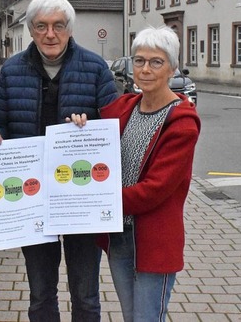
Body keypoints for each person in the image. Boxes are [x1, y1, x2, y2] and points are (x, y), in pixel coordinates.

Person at [0, 0, 118, 321]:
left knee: (85, 295)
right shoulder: (12, 72)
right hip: (32, 199)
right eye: (41, 26)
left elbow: (113, 132)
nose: (50, 34)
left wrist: (90, 128)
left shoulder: (95, 68)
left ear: (70, 29)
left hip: (80, 197)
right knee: (41, 294)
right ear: (30, 30)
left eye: (58, 25)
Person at [71, 25, 200, 321]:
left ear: (173, 69)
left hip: (153, 241)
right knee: (132, 317)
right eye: (139, 61)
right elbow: (91, 143)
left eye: (156, 62)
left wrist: (98, 201)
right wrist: (79, 126)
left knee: (146, 318)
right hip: (120, 237)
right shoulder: (124, 107)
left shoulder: (182, 123)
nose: (145, 69)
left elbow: (155, 189)